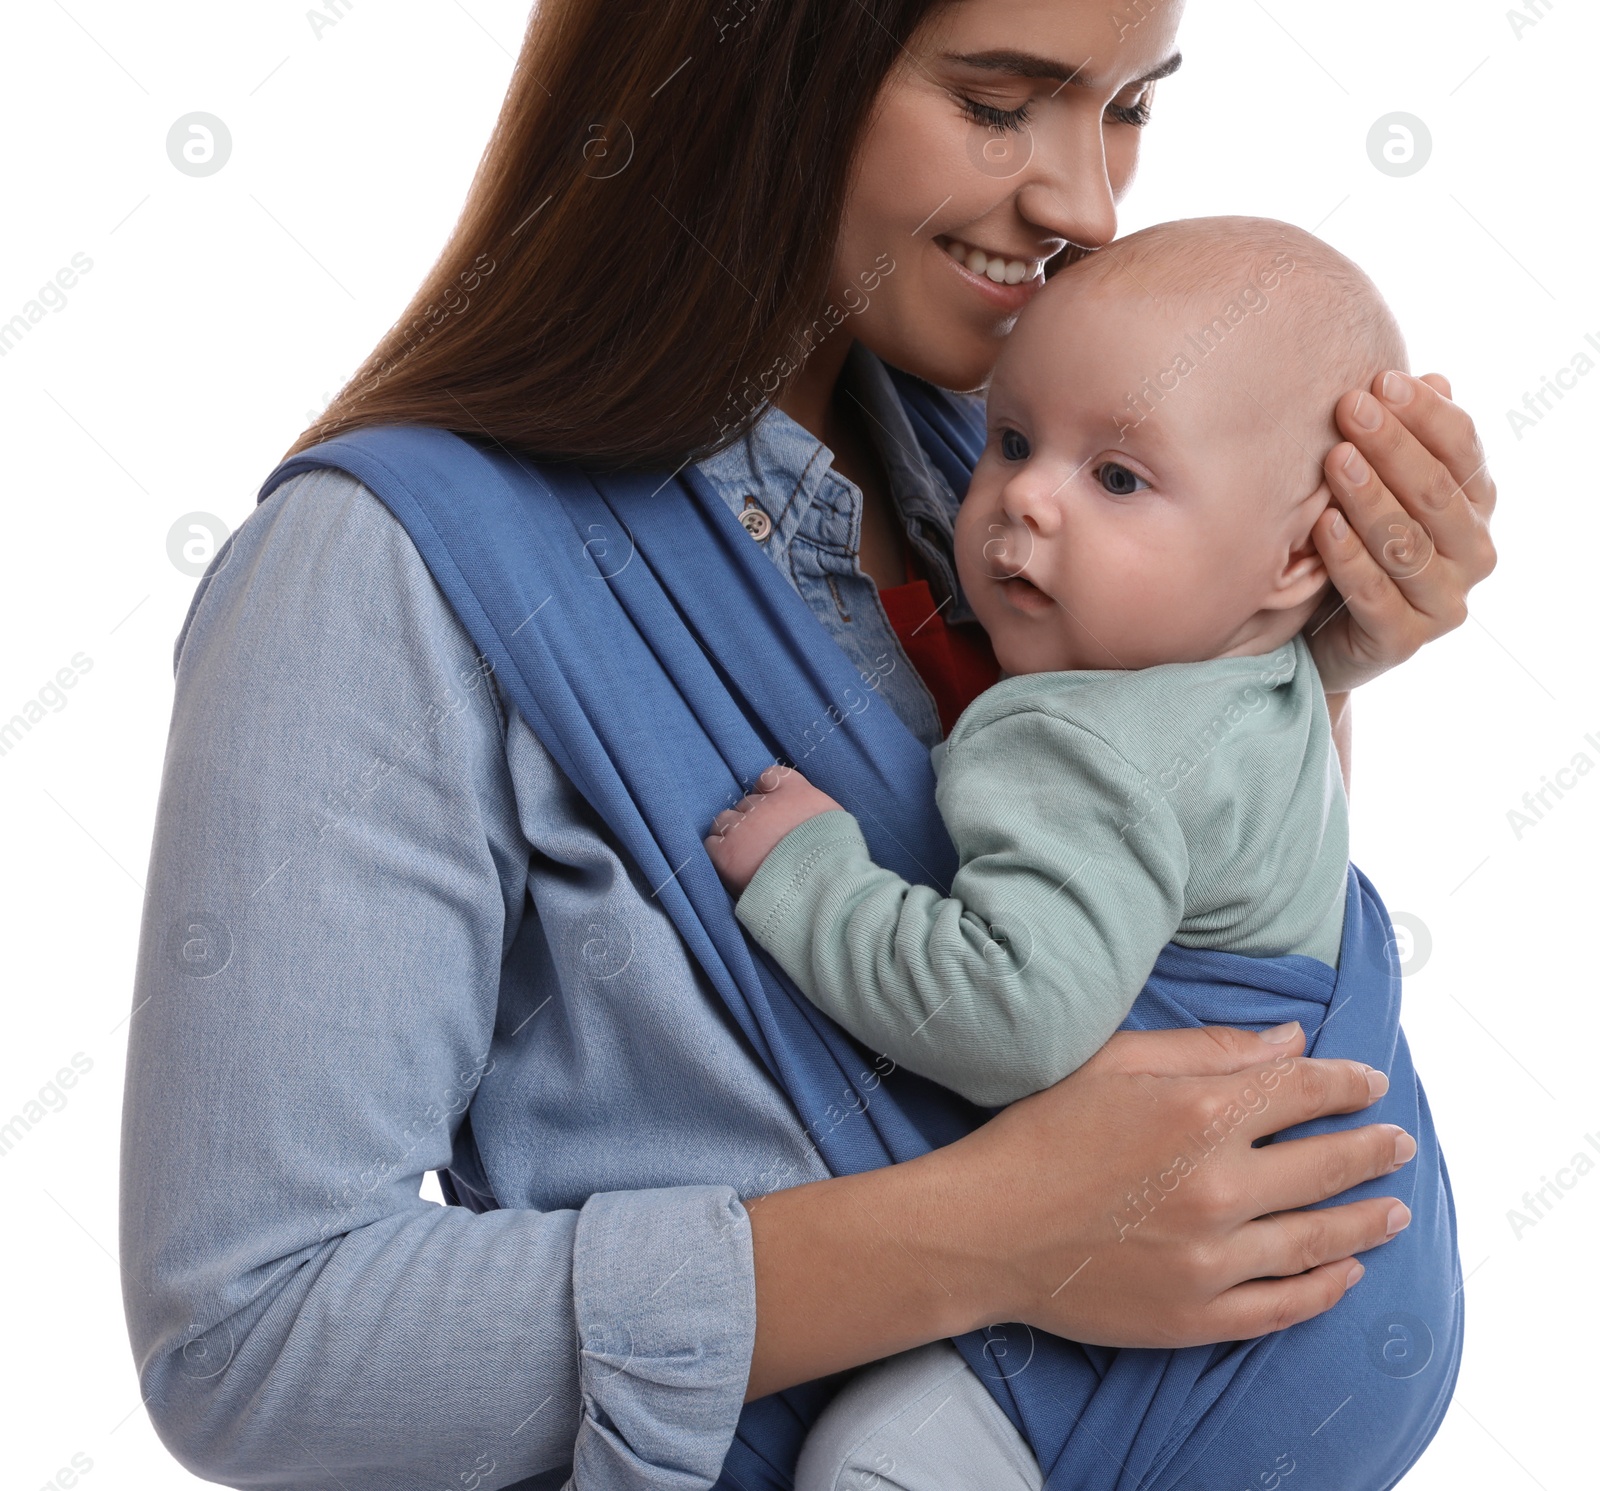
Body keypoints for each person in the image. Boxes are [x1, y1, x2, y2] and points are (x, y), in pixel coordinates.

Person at [117, 1, 1497, 1488]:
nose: (1089, 204)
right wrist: (984, 1239)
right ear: (748, 67)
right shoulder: (372, 572)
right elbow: (251, 1344)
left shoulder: (1030, 460)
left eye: (1130, 104)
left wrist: (1300, 655)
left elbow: (1182, 999)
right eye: (999, 100)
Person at [705, 215, 1452, 1489]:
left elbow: (1009, 1013)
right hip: (1381, 1305)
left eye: (1117, 478)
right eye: (1008, 440)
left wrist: (809, 873)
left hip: (1216, 1335)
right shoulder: (1277, 674)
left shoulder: (1076, 738)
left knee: (868, 1461)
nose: (1021, 498)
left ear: (1289, 560)